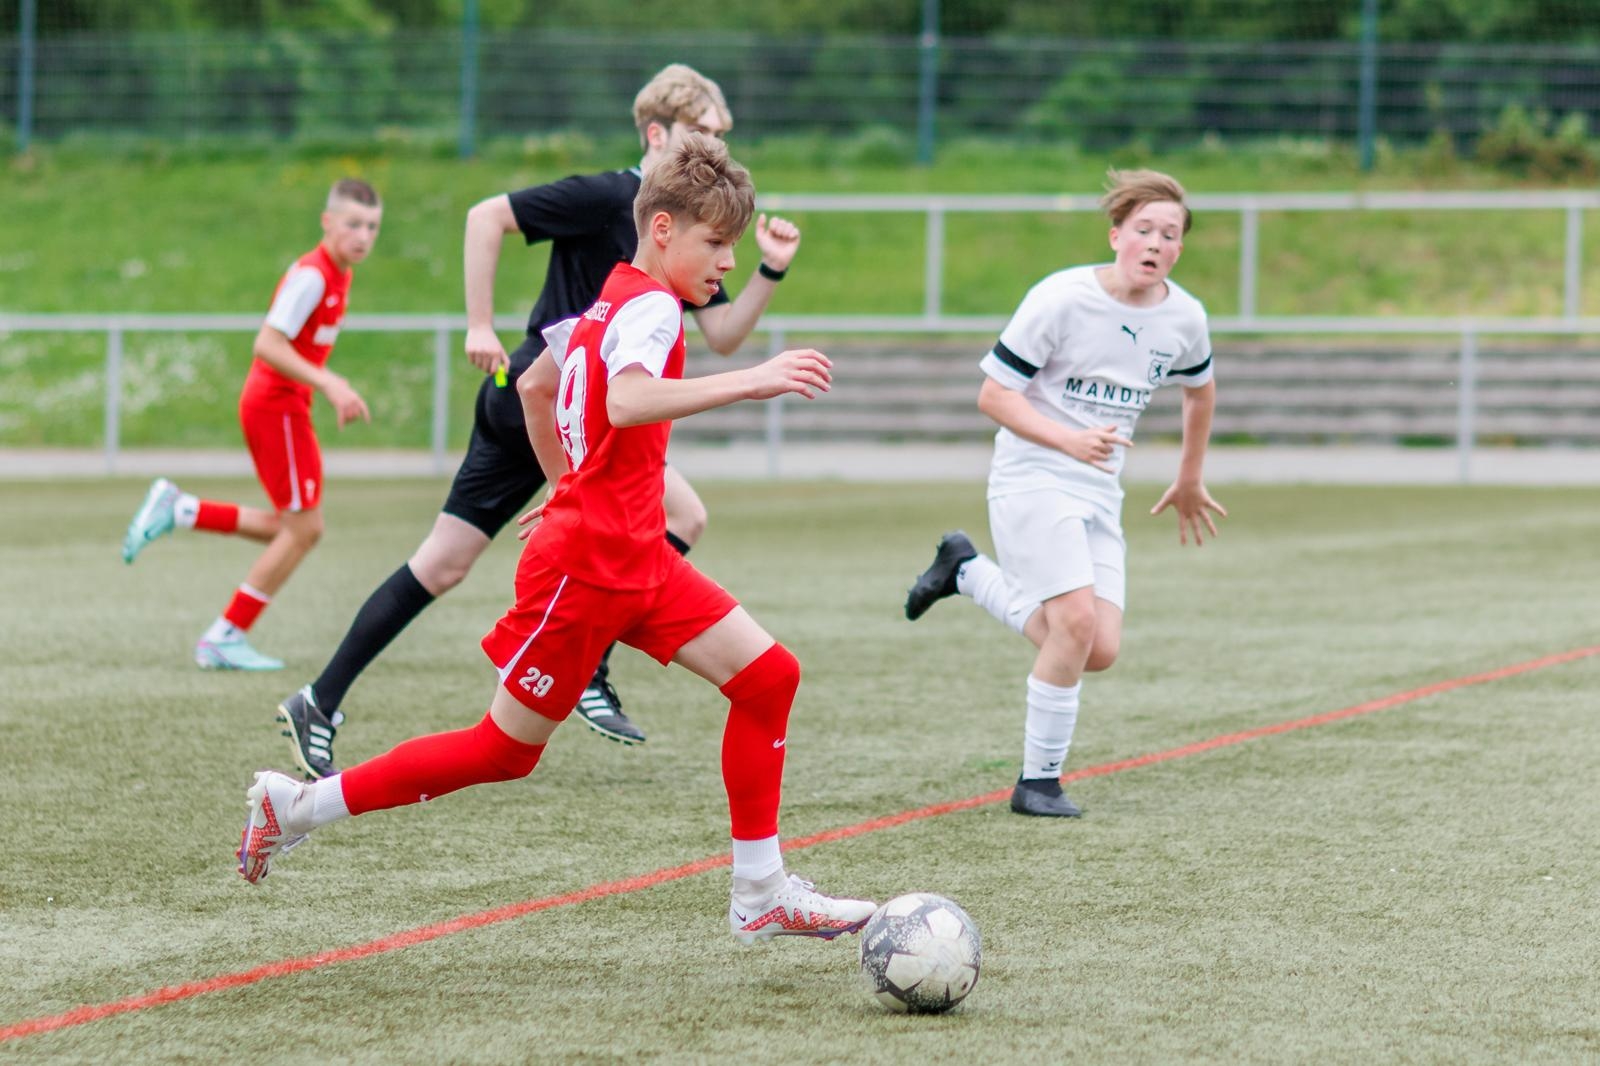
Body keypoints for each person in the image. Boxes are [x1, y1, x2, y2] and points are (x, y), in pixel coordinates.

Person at [238, 134, 875, 943]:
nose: (727, 261)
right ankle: (296, 806)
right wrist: (752, 380)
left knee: (768, 678)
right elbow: (627, 401)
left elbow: (538, 384)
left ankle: (761, 892)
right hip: (589, 569)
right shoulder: (650, 308)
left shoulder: (615, 294)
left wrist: (571, 484)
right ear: (663, 229)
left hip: (636, 556)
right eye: (717, 242)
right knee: (501, 751)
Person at [275, 63, 801, 778]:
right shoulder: (612, 197)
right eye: (701, 130)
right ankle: (585, 661)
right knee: (670, 517)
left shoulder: (692, 232)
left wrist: (770, 270)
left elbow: (724, 335)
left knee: (447, 562)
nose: (715, 146)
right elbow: (484, 216)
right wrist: (478, 323)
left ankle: (320, 698)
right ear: (656, 134)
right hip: (545, 398)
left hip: (568, 407)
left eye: (720, 135)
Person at [903, 168, 1226, 818]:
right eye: (1143, 229)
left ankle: (965, 571)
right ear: (1116, 236)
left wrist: (1190, 476)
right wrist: (1066, 440)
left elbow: (1200, 390)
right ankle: (1038, 784)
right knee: (1074, 624)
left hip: (1100, 490)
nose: (1156, 242)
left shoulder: (1185, 316)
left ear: (1180, 248)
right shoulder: (1061, 298)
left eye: (1169, 234)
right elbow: (994, 395)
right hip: (1033, 474)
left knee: (1097, 649)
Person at [121, 178, 383, 670]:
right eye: (353, 224)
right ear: (327, 222)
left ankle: (182, 510)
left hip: (284, 405)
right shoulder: (314, 276)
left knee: (293, 528)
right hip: (276, 406)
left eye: (372, 226)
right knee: (304, 529)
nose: (363, 235)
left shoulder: (339, 273)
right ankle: (225, 634)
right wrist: (329, 383)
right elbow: (266, 343)